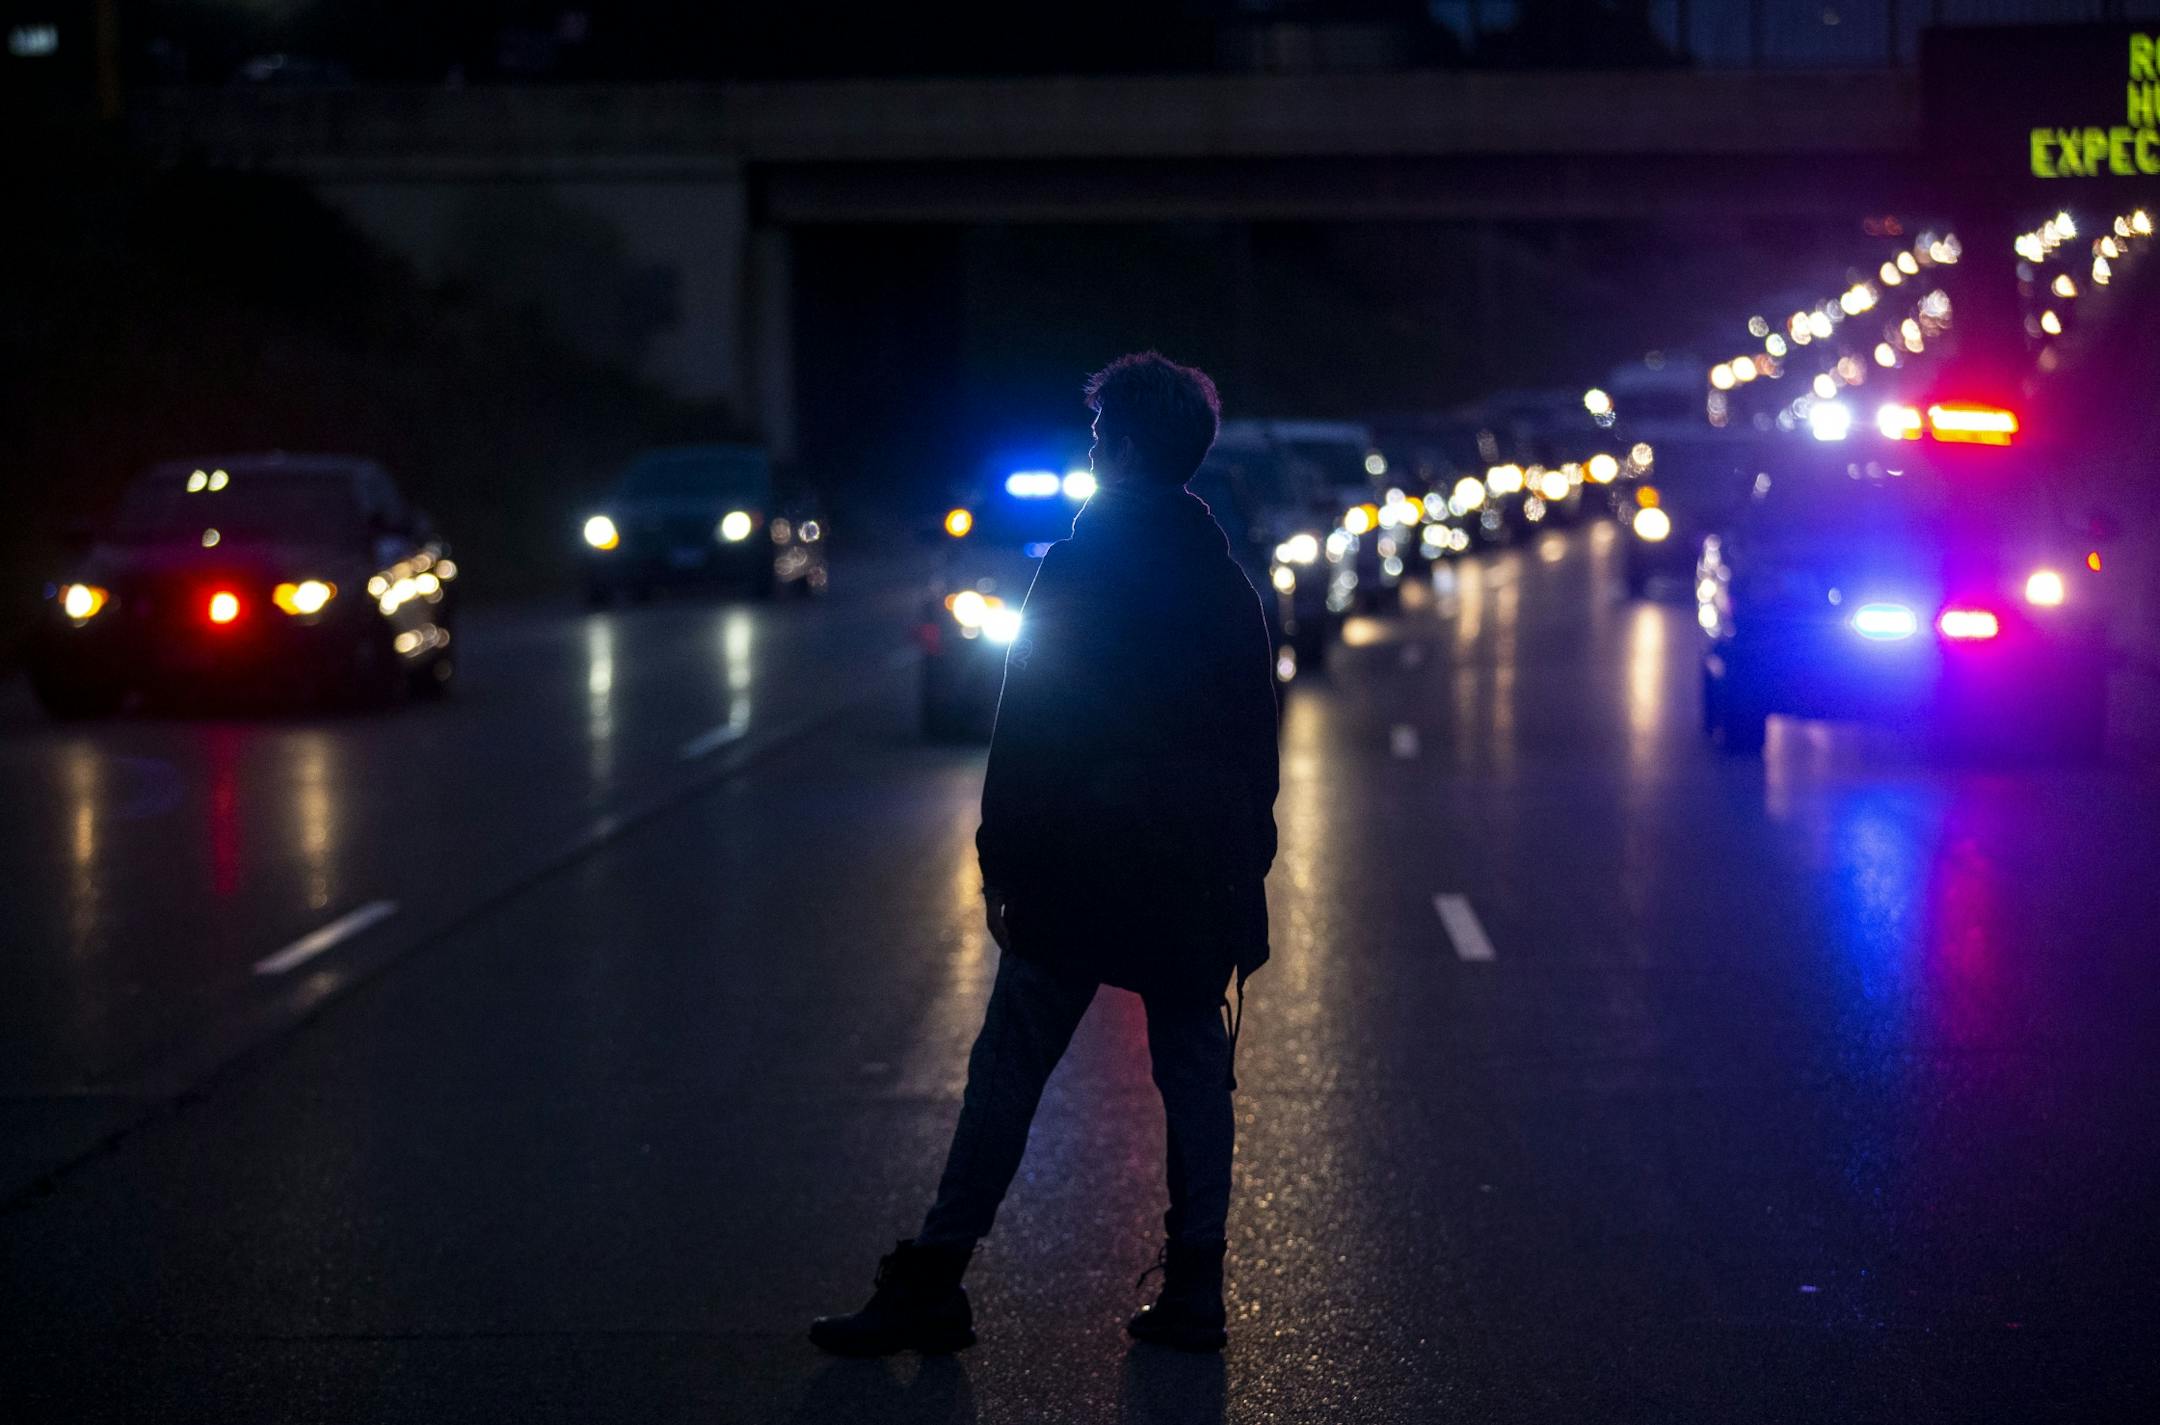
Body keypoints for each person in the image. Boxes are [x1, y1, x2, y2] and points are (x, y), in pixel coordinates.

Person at [811, 352, 1280, 1357]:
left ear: (1114, 451)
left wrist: (1000, 862)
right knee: (1195, 1074)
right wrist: (1245, 875)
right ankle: (1196, 1288)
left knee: (1009, 1073)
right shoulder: (1226, 589)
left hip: (1078, 870)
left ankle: (936, 1275)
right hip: (1191, 876)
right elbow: (1257, 754)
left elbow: (1028, 734)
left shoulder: (1075, 575)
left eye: (1102, 436)